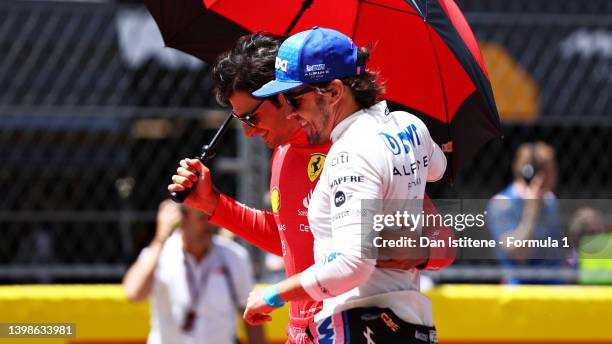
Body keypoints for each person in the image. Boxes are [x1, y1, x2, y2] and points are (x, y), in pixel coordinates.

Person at [167, 32, 455, 344]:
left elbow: (443, 244)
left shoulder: (355, 146)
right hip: (309, 330)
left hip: (359, 325)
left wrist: (383, 248)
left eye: (252, 117)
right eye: (241, 122)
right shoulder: (283, 153)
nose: (249, 133)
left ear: (283, 96)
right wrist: (214, 205)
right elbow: (296, 240)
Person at [122, 200, 265, 344]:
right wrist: (161, 236)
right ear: (182, 218)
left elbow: (251, 318)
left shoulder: (234, 256)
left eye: (212, 217)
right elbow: (134, 292)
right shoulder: (161, 254)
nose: (210, 225)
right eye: (202, 218)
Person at [486, 141, 565, 284]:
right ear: (531, 173)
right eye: (550, 170)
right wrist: (532, 210)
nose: (555, 176)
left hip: (553, 282)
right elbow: (518, 254)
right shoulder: (501, 203)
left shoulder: (549, 200)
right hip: (519, 283)